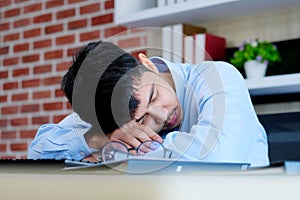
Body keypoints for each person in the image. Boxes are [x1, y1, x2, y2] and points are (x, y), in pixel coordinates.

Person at [28, 41, 270, 167]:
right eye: (142, 120)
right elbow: (38, 152)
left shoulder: (217, 77)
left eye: (154, 95)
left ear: (147, 64)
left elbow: (217, 158)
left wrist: (121, 156)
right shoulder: (112, 114)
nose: (162, 116)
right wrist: (103, 138)